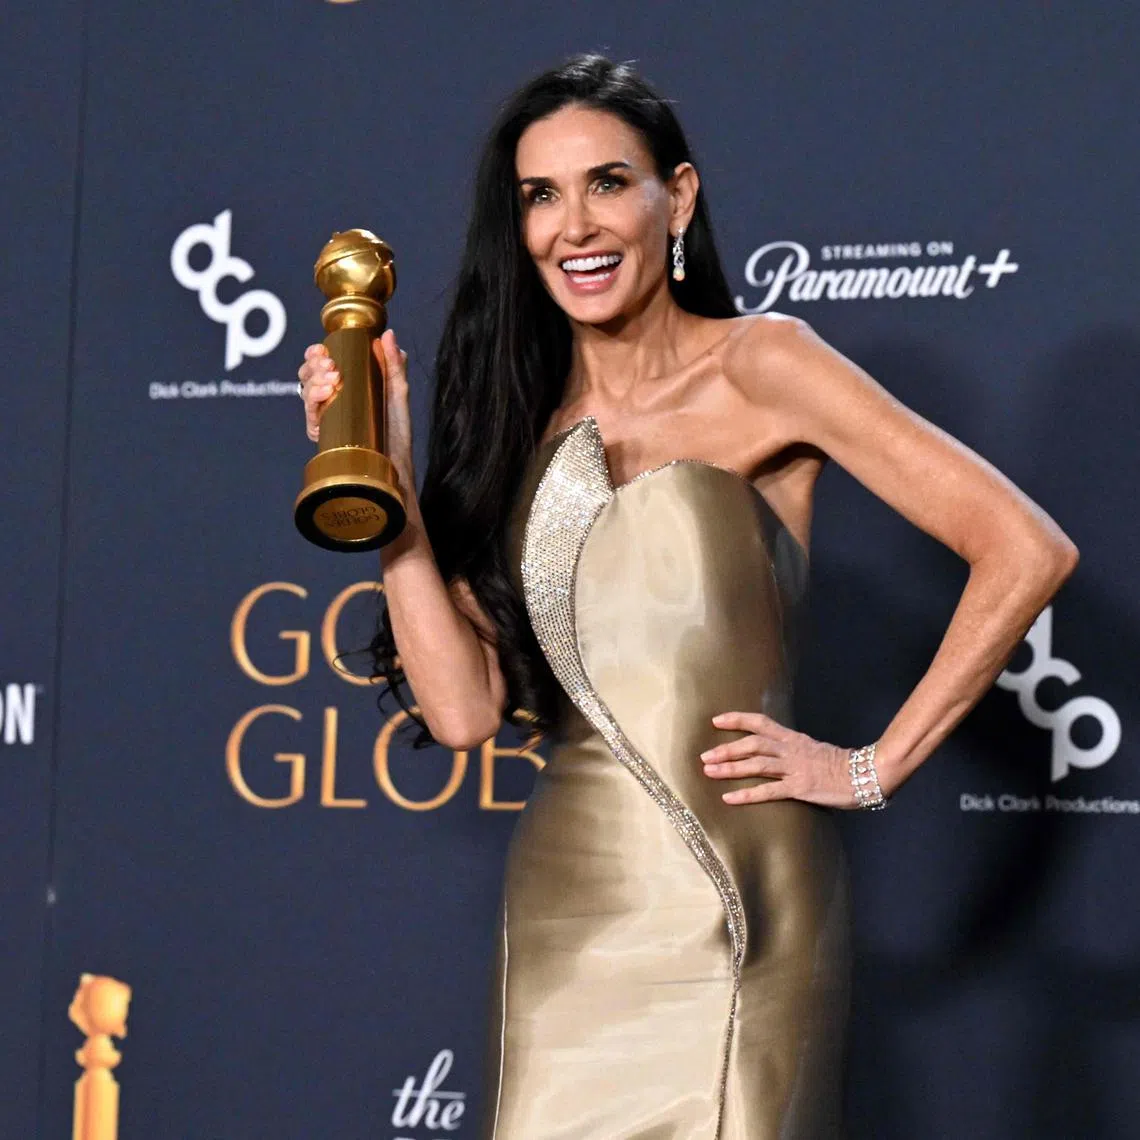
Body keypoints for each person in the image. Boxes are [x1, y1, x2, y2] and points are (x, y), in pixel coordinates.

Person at [297, 54, 1077, 1140]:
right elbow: (464, 714)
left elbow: (1023, 548)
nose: (575, 225)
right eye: (541, 196)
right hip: (567, 919)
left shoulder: (764, 364)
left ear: (680, 197)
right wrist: (392, 496)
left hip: (738, 904)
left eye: (608, 183)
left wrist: (869, 766)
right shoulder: (516, 421)